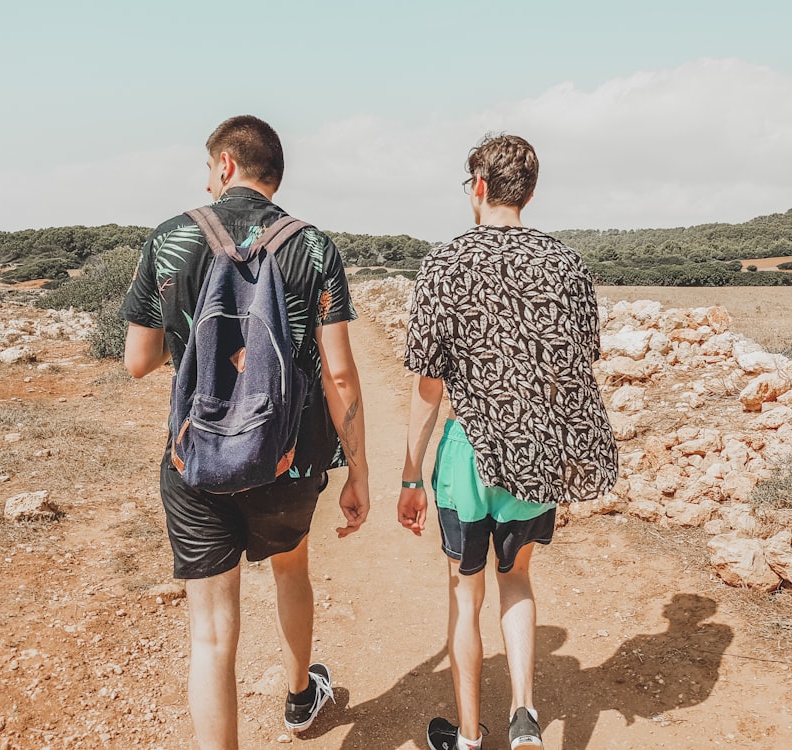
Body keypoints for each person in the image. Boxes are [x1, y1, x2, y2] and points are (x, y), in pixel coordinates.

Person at [120, 115, 369, 749]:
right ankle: (297, 696)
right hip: (288, 458)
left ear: (227, 165)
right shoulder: (314, 246)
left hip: (195, 458)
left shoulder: (172, 238)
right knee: (291, 570)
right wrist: (358, 470)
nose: (207, 182)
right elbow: (339, 374)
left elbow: (137, 361)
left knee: (210, 634)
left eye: (209, 169)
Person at [397, 134, 618, 750]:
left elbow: (429, 383)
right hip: (534, 453)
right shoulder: (567, 264)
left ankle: (469, 737)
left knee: (464, 594)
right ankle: (525, 715)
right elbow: (576, 363)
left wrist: (412, 474)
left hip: (468, 452)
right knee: (517, 579)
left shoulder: (443, 263)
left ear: (480, 187)